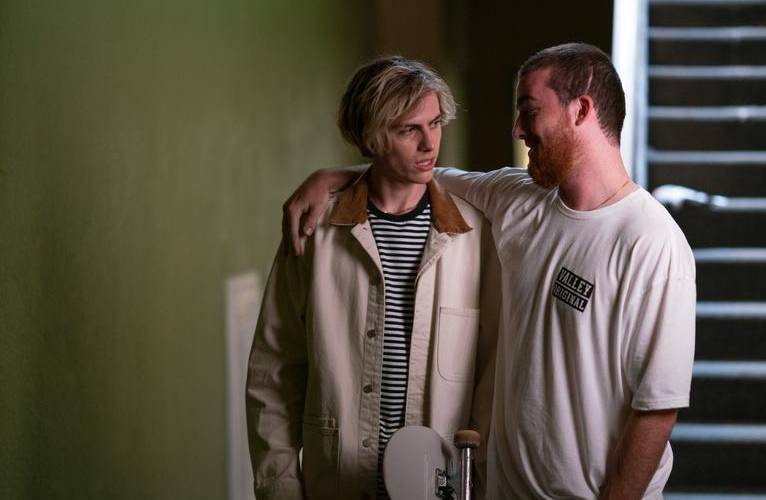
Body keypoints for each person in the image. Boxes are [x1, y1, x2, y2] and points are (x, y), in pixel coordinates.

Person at [285, 43, 696, 499]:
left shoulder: (651, 241)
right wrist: (330, 177)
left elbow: (656, 409)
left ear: (581, 110)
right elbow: (413, 172)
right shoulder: (516, 199)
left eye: (529, 111)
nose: (517, 128)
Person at [246, 56, 499, 500]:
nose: (430, 143)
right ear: (371, 139)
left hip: (439, 484)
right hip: (337, 483)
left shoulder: (474, 235)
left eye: (435, 123)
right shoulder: (316, 229)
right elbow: (274, 372)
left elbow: (491, 373)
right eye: (408, 130)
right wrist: (280, 489)